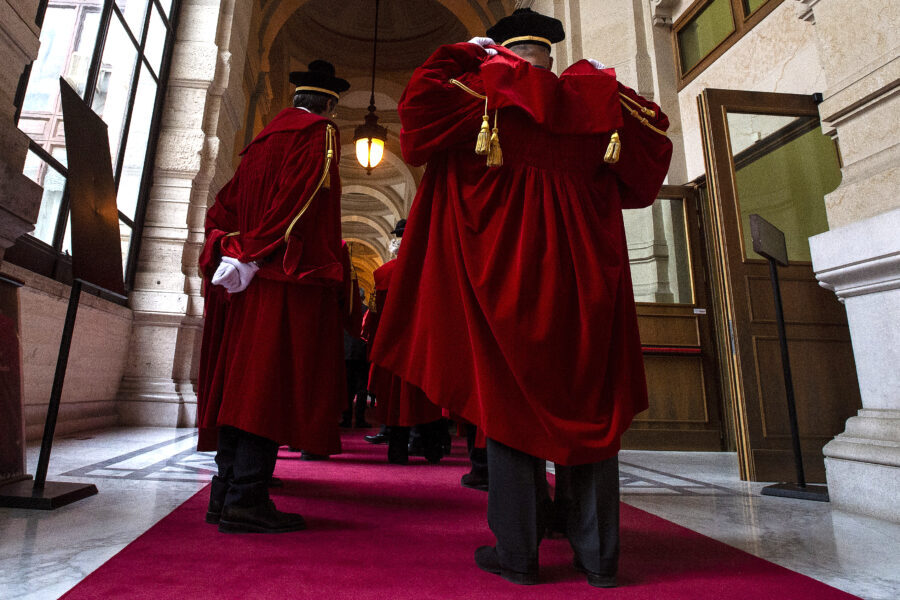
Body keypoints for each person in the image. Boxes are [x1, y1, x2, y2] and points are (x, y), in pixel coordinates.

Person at [369, 8, 672, 586]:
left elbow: (417, 107)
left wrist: (466, 54)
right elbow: (653, 148)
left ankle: (520, 554)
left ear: (499, 51)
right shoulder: (599, 102)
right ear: (550, 57)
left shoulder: (475, 94)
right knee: (590, 407)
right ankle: (599, 556)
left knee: (508, 413)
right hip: (586, 283)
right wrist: (601, 80)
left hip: (502, 280)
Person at [196, 60, 350, 534]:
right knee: (267, 388)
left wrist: (232, 250)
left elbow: (221, 210)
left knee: (242, 386)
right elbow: (297, 203)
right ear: (327, 104)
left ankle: (225, 494)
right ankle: (246, 499)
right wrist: (255, 254)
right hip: (283, 276)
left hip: (246, 283)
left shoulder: (257, 146)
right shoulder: (319, 133)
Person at [367, 219, 445, 464]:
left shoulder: (384, 273)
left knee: (395, 402)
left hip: (392, 344)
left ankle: (397, 451)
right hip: (421, 343)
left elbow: (376, 316)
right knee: (424, 400)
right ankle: (432, 449)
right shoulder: (427, 271)